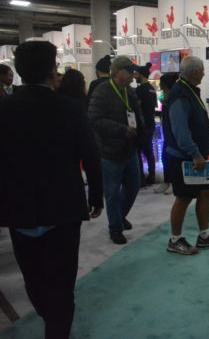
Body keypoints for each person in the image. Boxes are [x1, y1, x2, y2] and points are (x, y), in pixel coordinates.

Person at [0, 41, 103, 339]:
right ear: (51, 70)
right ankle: (57, 327)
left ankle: (51, 317)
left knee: (33, 277)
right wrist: (95, 197)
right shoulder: (70, 107)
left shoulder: (4, 109)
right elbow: (90, 155)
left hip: (19, 209)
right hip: (64, 208)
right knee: (61, 281)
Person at [163, 56, 209, 255]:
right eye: (202, 70)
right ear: (194, 72)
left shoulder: (188, 90)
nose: (203, 74)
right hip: (185, 157)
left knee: (205, 192)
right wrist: (195, 154)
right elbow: (180, 130)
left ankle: (205, 236)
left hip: (196, 156)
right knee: (183, 198)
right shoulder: (181, 94)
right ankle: (175, 240)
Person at [88, 56, 145, 245]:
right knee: (112, 192)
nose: (132, 74)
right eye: (129, 71)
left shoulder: (129, 91)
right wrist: (121, 129)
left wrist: (141, 134)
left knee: (133, 186)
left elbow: (137, 115)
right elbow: (94, 119)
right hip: (110, 151)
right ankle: (115, 229)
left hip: (130, 149)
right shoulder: (102, 91)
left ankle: (119, 216)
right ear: (118, 71)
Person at [155, 73, 179, 195]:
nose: (162, 90)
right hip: (168, 136)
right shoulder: (166, 100)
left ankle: (174, 183)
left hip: (176, 137)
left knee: (173, 159)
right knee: (165, 157)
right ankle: (167, 181)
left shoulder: (176, 100)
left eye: (163, 87)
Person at [134, 62, 158, 186]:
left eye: (136, 74)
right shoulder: (152, 89)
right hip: (151, 124)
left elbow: (136, 107)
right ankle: (152, 176)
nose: (134, 76)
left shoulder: (139, 90)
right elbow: (154, 106)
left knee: (137, 152)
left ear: (142, 75)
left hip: (141, 125)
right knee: (148, 150)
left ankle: (141, 179)